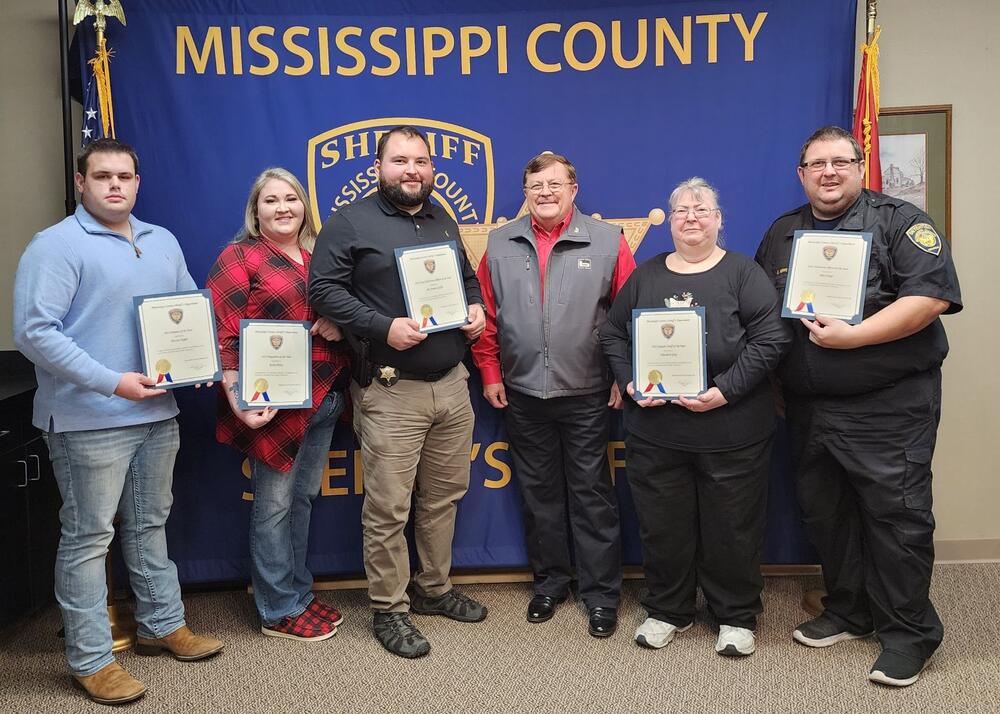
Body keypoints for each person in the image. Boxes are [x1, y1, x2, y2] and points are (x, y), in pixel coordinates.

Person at [12, 138, 222, 706]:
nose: (114, 185)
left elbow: (186, 308)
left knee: (150, 524)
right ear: (80, 183)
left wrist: (204, 363)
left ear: (137, 182)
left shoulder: (162, 241)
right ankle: (90, 659)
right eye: (101, 176)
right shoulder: (54, 246)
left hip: (158, 411)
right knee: (87, 539)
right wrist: (113, 381)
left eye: (125, 176)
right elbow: (35, 333)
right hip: (90, 419)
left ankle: (162, 625)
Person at [755, 126, 962, 687]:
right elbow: (762, 315)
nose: (828, 172)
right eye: (816, 164)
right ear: (801, 174)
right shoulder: (781, 233)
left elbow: (928, 300)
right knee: (829, 516)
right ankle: (850, 609)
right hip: (808, 408)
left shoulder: (902, 223)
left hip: (888, 406)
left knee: (897, 521)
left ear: (860, 165)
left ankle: (908, 633)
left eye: (840, 162)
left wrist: (856, 336)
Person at [308, 126, 487, 659]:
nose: (412, 170)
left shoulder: (440, 217)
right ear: (379, 168)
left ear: (432, 170)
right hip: (390, 390)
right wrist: (382, 326)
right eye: (400, 160)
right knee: (389, 509)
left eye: (421, 161)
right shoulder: (350, 223)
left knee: (443, 497)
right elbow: (323, 290)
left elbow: (466, 278)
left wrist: (473, 307)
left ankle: (433, 590)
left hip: (453, 385)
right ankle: (390, 607)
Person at [600, 177, 790, 656]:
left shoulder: (744, 275)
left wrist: (724, 391)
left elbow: (772, 340)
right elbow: (613, 335)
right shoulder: (644, 276)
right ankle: (668, 609)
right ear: (671, 221)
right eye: (682, 210)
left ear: (719, 220)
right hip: (657, 432)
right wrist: (629, 382)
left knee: (733, 525)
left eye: (701, 209)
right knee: (664, 526)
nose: (690, 217)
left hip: (733, 429)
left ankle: (735, 616)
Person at [471, 153, 634, 637]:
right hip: (521, 391)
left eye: (554, 184)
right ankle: (550, 582)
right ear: (525, 191)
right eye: (535, 184)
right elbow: (488, 315)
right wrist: (490, 371)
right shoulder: (499, 244)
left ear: (573, 188)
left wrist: (620, 375)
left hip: (586, 391)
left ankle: (601, 593)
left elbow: (627, 315)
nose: (545, 192)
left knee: (591, 494)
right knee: (538, 493)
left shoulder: (608, 242)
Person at [205, 168, 352, 641]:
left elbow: (348, 310)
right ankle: (276, 609)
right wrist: (235, 397)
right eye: (271, 200)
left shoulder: (318, 256)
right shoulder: (239, 256)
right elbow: (223, 334)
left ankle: (296, 592)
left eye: (291, 198)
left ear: (304, 206)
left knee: (303, 500)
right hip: (271, 404)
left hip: (324, 395)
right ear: (256, 211)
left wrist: (340, 322)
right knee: (273, 507)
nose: (283, 207)